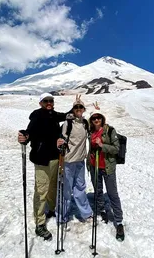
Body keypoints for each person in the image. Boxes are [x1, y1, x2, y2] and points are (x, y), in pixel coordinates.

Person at [18, 92, 68, 241]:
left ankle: (51, 209)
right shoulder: (37, 115)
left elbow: (65, 116)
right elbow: (29, 132)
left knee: (53, 187)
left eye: (51, 100)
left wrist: (75, 109)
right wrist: (25, 137)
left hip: (55, 158)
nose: (49, 102)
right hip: (42, 159)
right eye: (46, 101)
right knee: (41, 190)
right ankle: (40, 223)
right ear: (40, 103)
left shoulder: (53, 115)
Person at [87, 102, 125, 241]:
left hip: (107, 167)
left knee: (112, 194)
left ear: (103, 118)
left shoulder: (110, 130)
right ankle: (102, 210)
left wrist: (102, 145)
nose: (96, 120)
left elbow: (116, 148)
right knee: (97, 190)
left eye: (99, 117)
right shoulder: (90, 131)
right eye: (94, 118)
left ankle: (119, 221)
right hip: (94, 166)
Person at [56, 95, 93, 226]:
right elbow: (61, 138)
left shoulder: (85, 123)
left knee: (80, 188)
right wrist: (59, 144)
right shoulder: (68, 123)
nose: (78, 109)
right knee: (66, 190)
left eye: (80, 107)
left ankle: (86, 213)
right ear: (73, 109)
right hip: (68, 160)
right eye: (76, 107)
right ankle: (61, 216)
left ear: (83, 109)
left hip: (80, 161)